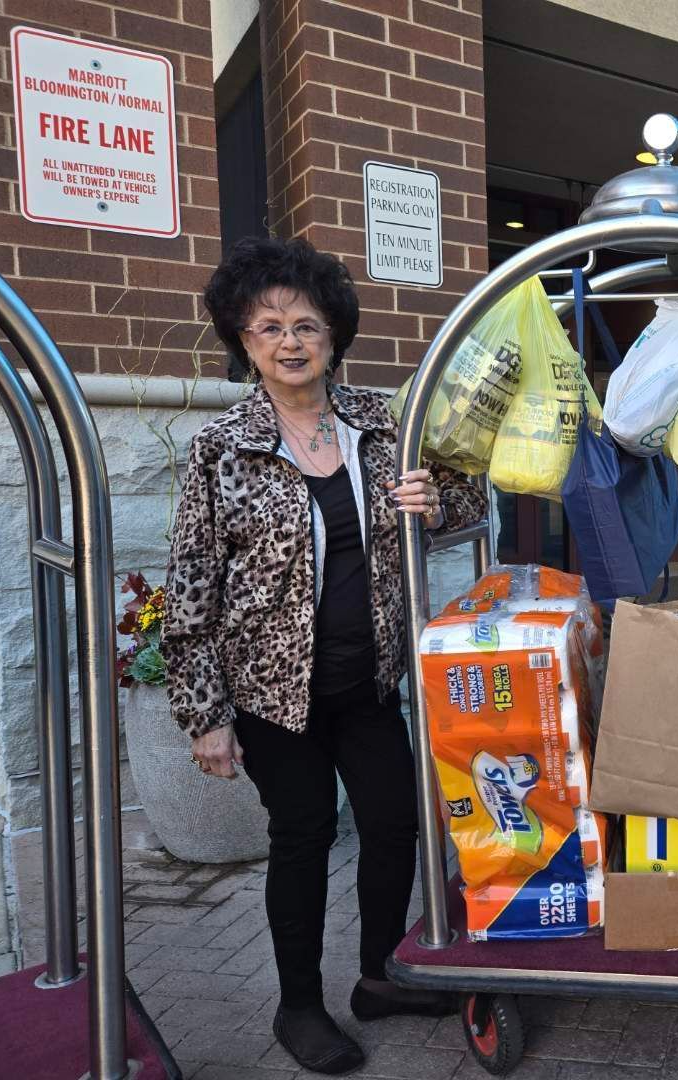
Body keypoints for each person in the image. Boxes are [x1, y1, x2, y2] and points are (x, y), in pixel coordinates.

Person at [164, 237, 487, 1075]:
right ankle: (298, 1005)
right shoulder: (221, 446)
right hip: (274, 697)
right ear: (244, 342)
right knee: (302, 838)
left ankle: (379, 976)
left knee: (393, 826)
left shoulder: (385, 424)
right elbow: (192, 583)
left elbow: (465, 500)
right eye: (267, 327)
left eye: (306, 324)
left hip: (369, 681)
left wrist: (435, 497)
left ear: (335, 337)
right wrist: (206, 716)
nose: (290, 341)